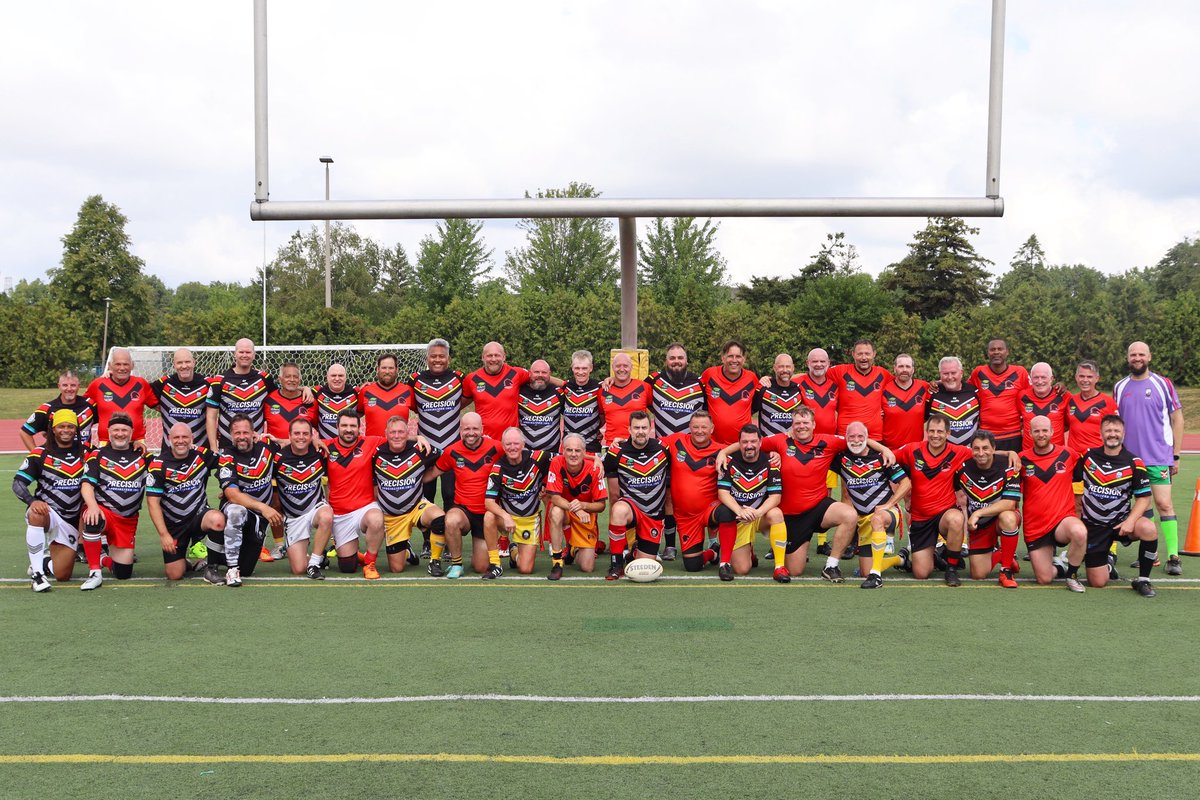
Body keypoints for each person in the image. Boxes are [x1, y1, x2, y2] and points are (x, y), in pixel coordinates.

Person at [730, 407, 891, 584]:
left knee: (849, 515)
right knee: (795, 570)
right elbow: (749, 443)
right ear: (792, 425)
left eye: (805, 422)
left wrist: (885, 449)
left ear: (814, 424)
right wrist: (723, 453)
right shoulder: (780, 441)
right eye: (797, 423)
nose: (801, 426)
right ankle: (757, 550)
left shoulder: (828, 441)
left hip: (818, 507)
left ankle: (831, 565)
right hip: (791, 515)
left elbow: (857, 440)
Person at [1113, 341, 1185, 576]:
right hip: (1129, 461)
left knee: (1164, 504)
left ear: (1149, 357)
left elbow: (1178, 419)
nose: (1137, 358)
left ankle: (1173, 556)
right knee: (1136, 507)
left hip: (1158, 457)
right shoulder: (1120, 387)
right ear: (1127, 358)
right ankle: (1149, 554)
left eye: (1141, 354)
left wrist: (1175, 455)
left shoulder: (1163, 384)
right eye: (1133, 354)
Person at [1075, 415, 1159, 597]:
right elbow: (1075, 483)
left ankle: (1143, 579)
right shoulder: (1088, 456)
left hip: (1120, 523)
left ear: (1123, 433)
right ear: (1101, 434)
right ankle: (1106, 564)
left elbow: (1144, 498)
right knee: (1097, 583)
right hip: (1093, 526)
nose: (1112, 434)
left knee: (1148, 528)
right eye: (1108, 431)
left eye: (1116, 431)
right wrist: (1077, 510)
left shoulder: (1134, 462)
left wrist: (1130, 521)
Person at [894, 414, 974, 586]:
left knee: (956, 519)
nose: (935, 435)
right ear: (926, 432)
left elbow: (986, 453)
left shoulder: (958, 451)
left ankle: (951, 569)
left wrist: (1011, 453)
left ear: (948, 433)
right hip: (921, 518)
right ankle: (936, 558)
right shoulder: (912, 450)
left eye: (940, 431)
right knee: (921, 573)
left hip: (944, 514)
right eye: (931, 431)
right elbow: (887, 456)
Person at [13, 408, 87, 592]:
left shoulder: (87, 452)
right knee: (37, 514)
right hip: (49, 511)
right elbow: (18, 484)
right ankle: (38, 575)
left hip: (70, 520)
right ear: (53, 429)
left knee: (63, 575)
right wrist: (32, 501)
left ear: (76, 429)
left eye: (70, 426)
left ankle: (44, 563)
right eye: (61, 426)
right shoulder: (40, 453)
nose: (66, 430)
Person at [145, 422, 226, 584]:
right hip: (175, 526)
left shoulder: (202, 455)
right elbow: (152, 503)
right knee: (174, 574)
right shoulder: (158, 464)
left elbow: (228, 463)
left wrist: (228, 488)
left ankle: (211, 569)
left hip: (199, 517)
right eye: (176, 437)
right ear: (169, 439)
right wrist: (164, 535)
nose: (180, 441)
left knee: (217, 519)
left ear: (192, 438)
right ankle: (187, 562)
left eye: (184, 437)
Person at [833, 421, 910, 589]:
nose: (856, 440)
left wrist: (889, 504)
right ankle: (900, 559)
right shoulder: (840, 457)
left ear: (867, 438)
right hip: (862, 519)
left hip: (886, 514)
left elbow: (906, 483)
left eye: (861, 436)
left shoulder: (880, 457)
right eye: (851, 436)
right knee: (864, 572)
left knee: (877, 519)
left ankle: (876, 577)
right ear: (845, 438)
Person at [426, 412, 503, 578]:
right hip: (464, 510)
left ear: (482, 429)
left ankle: (484, 553)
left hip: (487, 513)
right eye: (467, 428)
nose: (471, 432)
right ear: (460, 430)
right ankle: (457, 564)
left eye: (475, 428)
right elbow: (432, 474)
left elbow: (518, 459)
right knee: (451, 519)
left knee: (481, 567)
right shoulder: (451, 451)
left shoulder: (497, 447)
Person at [1019, 415, 1088, 591]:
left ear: (1052, 431)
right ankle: (1061, 566)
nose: (1041, 434)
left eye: (1044, 430)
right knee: (1044, 578)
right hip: (1036, 526)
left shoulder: (1069, 455)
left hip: (1062, 521)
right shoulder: (1021, 460)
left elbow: (1088, 477)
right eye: (1036, 431)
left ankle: (1072, 576)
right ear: (1029, 433)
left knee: (1079, 532)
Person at [80, 412, 148, 589]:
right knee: (91, 517)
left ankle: (102, 558)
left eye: (124, 430)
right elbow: (86, 485)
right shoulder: (98, 455)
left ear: (132, 432)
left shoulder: (143, 456)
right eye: (116, 429)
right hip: (106, 514)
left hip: (127, 520)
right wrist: (93, 507)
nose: (120, 433)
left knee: (123, 573)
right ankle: (95, 572)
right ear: (108, 431)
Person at [214, 414, 283, 587]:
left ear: (253, 433)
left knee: (247, 569)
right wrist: (264, 507)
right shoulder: (226, 455)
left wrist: (314, 440)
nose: (241, 436)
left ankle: (218, 556)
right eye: (237, 433)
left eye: (245, 432)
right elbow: (232, 494)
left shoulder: (267, 447)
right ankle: (231, 569)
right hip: (238, 511)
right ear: (230, 435)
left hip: (258, 519)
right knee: (237, 511)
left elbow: (295, 444)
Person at [603, 410, 671, 580]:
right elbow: (599, 467)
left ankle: (634, 551)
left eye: (644, 427)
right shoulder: (617, 451)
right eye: (636, 428)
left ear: (650, 428)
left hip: (653, 516)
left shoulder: (663, 449)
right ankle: (616, 564)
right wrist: (597, 459)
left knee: (645, 566)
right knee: (618, 509)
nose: (640, 431)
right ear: (629, 429)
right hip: (631, 509)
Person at [374, 415, 444, 575]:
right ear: (386, 433)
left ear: (407, 433)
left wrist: (429, 475)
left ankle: (435, 562)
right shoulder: (376, 454)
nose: (397, 436)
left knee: (440, 519)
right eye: (393, 432)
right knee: (396, 569)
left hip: (416, 507)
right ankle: (407, 552)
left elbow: (447, 456)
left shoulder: (420, 449)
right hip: (392, 517)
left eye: (401, 432)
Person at [715, 424, 783, 581]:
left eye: (753, 441)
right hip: (739, 517)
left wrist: (757, 512)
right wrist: (740, 511)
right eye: (745, 442)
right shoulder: (728, 461)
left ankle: (780, 567)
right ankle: (749, 551)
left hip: (759, 515)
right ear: (739, 443)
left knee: (776, 513)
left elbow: (775, 497)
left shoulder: (771, 462)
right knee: (742, 569)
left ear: (760, 442)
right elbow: (723, 493)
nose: (749, 446)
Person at [323, 410, 387, 579]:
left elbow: (398, 440)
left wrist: (418, 438)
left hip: (365, 507)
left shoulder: (370, 442)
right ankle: (356, 555)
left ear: (360, 428)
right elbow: (299, 442)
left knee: (376, 518)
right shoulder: (325, 446)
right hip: (340, 514)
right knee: (348, 567)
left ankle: (370, 562)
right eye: (344, 425)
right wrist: (275, 440)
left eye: (353, 426)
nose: (348, 429)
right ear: (337, 427)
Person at [954, 431, 1022, 587]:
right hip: (980, 526)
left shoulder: (1008, 465)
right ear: (971, 450)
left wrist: (978, 513)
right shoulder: (963, 467)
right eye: (976, 449)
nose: (981, 453)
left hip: (998, 519)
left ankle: (1006, 571)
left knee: (1008, 517)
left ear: (993, 449)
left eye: (985, 448)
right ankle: (1003, 556)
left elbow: (1010, 503)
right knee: (978, 574)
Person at [661, 410, 725, 574]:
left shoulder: (721, 450)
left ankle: (728, 559)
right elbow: (648, 444)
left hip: (709, 510)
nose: (699, 431)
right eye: (695, 427)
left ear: (712, 428)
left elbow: (748, 445)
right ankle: (713, 552)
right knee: (692, 566)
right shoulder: (676, 441)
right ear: (689, 427)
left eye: (704, 427)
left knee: (728, 512)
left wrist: (725, 451)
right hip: (686, 517)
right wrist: (619, 442)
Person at [409, 338, 466, 514]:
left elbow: (469, 398)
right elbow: (408, 403)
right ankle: (428, 540)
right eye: (433, 356)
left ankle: (449, 534)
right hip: (426, 447)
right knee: (427, 493)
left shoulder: (459, 378)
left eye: (442, 356)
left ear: (448, 359)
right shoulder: (415, 380)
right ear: (427, 358)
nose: (437, 359)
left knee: (450, 493)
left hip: (452, 446)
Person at [485, 428, 552, 576]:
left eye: (516, 443)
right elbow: (488, 502)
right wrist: (506, 516)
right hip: (508, 521)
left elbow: (565, 457)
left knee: (525, 569)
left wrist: (594, 459)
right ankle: (495, 564)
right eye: (508, 444)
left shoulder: (538, 457)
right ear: (503, 446)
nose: (512, 447)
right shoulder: (497, 468)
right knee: (489, 516)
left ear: (523, 444)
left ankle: (513, 550)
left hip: (529, 520)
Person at [273, 417, 333, 579]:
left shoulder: (320, 454)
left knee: (327, 515)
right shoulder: (277, 458)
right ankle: (317, 558)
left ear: (311, 436)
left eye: (305, 434)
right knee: (298, 569)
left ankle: (313, 563)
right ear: (289, 436)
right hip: (293, 517)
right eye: (297, 433)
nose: (301, 437)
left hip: (315, 508)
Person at [545, 433, 608, 579]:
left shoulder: (595, 469)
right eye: (569, 450)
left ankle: (573, 550)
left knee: (587, 567)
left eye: (577, 450)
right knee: (556, 512)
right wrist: (577, 509)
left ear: (584, 453)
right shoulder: (556, 462)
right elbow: (554, 497)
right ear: (563, 451)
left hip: (585, 516)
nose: (573, 454)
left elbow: (601, 505)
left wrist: (583, 505)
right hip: (567, 512)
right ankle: (557, 561)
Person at [206, 338, 279, 452]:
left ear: (254, 355)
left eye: (248, 352)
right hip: (227, 444)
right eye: (241, 352)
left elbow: (283, 393)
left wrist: (304, 388)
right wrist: (213, 447)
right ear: (235, 354)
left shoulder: (264, 379)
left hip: (256, 444)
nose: (245, 355)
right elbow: (211, 416)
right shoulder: (219, 380)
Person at [87, 347, 156, 448]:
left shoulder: (141, 384)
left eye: (126, 364)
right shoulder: (98, 384)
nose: (122, 368)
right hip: (106, 442)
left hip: (137, 442)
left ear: (132, 365)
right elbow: (82, 408)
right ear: (110, 366)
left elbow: (159, 406)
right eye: (118, 364)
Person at [968, 338, 1029, 452]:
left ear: (1007, 352)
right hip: (986, 435)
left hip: (1013, 435)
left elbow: (1034, 393)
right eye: (992, 349)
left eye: (1000, 349)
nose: (996, 352)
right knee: (987, 469)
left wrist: (1058, 386)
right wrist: (940, 383)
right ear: (988, 353)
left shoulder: (1020, 372)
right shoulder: (979, 372)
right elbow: (962, 388)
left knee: (1013, 468)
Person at [148, 348, 211, 448]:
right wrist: (162, 408)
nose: (184, 366)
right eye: (179, 363)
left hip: (200, 448)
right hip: (170, 449)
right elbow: (144, 394)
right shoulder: (163, 383)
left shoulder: (208, 384)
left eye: (187, 362)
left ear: (194, 363)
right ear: (174, 365)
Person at [828, 339, 891, 439]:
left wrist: (886, 408)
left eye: (867, 354)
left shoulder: (883, 374)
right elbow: (813, 375)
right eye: (860, 354)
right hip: (847, 434)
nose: (864, 358)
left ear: (874, 354)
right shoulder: (840, 371)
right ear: (853, 354)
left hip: (874, 436)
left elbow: (899, 387)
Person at [699, 340, 758, 445]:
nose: (734, 360)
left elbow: (757, 402)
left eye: (738, 356)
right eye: (730, 356)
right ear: (723, 358)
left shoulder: (751, 378)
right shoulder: (709, 375)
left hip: (742, 445)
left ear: (744, 359)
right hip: (713, 443)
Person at [21, 370, 97, 451]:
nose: (69, 389)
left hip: (83, 458)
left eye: (73, 385)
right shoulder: (47, 409)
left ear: (79, 386)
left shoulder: (90, 405)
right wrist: (37, 456)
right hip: (56, 460)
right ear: (59, 386)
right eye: (65, 385)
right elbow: (24, 432)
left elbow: (106, 421)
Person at [647, 343, 706, 437]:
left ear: (686, 361)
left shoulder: (700, 383)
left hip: (690, 448)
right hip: (662, 446)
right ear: (666, 361)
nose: (676, 361)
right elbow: (635, 392)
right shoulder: (653, 380)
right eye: (672, 358)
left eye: (680, 358)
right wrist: (614, 381)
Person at [1065, 360, 1118, 457]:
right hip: (1074, 457)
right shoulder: (1070, 401)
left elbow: (1115, 431)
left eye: (1089, 377)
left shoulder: (1107, 402)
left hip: (1097, 458)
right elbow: (1065, 426)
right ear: (1076, 377)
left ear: (1097, 378)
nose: (1085, 380)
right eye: (1081, 376)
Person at [927, 356, 981, 446]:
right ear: (940, 374)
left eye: (953, 373)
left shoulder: (975, 392)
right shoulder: (932, 393)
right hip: (942, 455)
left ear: (961, 373)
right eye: (945, 373)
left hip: (970, 454)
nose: (950, 377)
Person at [561, 349, 606, 455]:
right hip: (568, 446)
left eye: (584, 368)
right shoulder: (566, 387)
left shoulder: (599, 387)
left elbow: (603, 415)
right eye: (577, 368)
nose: (580, 372)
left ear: (591, 368)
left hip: (591, 446)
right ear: (572, 367)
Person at [358, 352, 414, 437]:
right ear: (378, 369)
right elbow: (356, 414)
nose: (387, 371)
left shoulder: (407, 391)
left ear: (397, 370)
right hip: (373, 447)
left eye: (391, 368)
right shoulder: (366, 391)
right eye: (384, 368)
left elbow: (422, 411)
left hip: (399, 446)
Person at [881, 353, 930, 449]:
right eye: (901, 366)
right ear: (895, 369)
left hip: (915, 449)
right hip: (890, 450)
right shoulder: (884, 389)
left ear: (913, 369)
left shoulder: (923, 387)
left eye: (908, 366)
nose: (904, 370)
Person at [602, 352, 651, 445]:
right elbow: (600, 417)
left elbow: (655, 410)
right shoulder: (603, 390)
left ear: (632, 367)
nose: (621, 369)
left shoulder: (644, 387)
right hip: (612, 445)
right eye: (618, 366)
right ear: (612, 367)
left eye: (625, 366)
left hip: (638, 444)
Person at [264, 362, 317, 446]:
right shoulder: (269, 399)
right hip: (274, 449)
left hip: (302, 451)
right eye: (287, 376)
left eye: (295, 377)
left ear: (299, 380)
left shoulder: (309, 401)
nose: (292, 379)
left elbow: (316, 428)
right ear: (280, 379)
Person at [517, 359, 564, 452]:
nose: (540, 375)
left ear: (549, 374)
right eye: (536, 372)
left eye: (544, 372)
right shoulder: (519, 392)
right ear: (529, 373)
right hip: (524, 453)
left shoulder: (558, 393)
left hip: (550, 453)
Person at [1018, 362, 1068, 450]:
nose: (1040, 381)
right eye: (1036, 377)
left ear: (1051, 378)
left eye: (1043, 377)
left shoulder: (1064, 396)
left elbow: (1069, 424)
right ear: (1031, 379)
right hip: (1029, 454)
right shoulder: (1022, 396)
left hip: (1057, 455)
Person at [754, 353, 803, 438]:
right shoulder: (763, 389)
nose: (785, 370)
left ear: (793, 368)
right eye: (781, 366)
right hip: (769, 446)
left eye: (788, 366)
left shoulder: (799, 390)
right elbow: (747, 412)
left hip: (793, 446)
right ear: (774, 368)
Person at [796, 348, 838, 436]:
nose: (819, 364)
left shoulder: (836, 385)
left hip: (830, 440)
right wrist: (767, 379)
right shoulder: (797, 383)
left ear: (828, 363)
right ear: (808, 363)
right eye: (815, 361)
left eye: (822, 361)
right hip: (806, 440)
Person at [313, 363, 360, 441]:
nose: (337, 379)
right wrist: (304, 388)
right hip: (326, 445)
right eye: (333, 375)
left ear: (345, 378)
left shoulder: (356, 392)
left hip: (350, 446)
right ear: (327, 377)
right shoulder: (317, 392)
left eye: (340, 375)